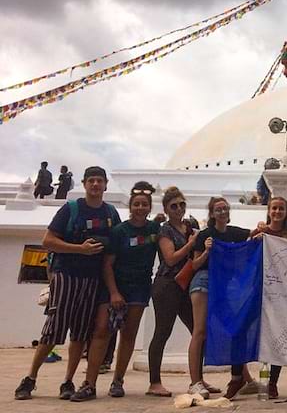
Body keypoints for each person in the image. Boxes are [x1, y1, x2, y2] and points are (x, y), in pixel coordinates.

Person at [15, 166, 121, 401]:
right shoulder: (71, 209)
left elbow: (114, 249)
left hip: (92, 279)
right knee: (54, 329)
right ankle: (30, 378)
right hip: (67, 275)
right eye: (91, 180)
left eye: (99, 181)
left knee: (81, 333)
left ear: (105, 185)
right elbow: (48, 240)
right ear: (84, 184)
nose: (95, 185)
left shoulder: (111, 214)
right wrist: (80, 250)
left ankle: (68, 380)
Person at [70, 182, 160, 401]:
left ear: (150, 208)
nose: (140, 207)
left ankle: (118, 381)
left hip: (139, 287)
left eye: (144, 204)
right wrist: (114, 293)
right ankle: (89, 383)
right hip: (115, 285)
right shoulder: (119, 231)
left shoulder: (154, 230)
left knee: (128, 335)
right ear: (130, 207)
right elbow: (108, 264)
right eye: (136, 204)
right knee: (102, 331)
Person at [146, 187, 218, 397]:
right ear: (167, 209)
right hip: (167, 285)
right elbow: (170, 258)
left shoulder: (190, 227)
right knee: (162, 332)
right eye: (173, 206)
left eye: (181, 205)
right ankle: (154, 382)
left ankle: (198, 379)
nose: (178, 209)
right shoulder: (164, 230)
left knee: (199, 331)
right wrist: (190, 244)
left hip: (186, 285)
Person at [191, 197, 253, 400]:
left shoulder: (234, 232)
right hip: (205, 283)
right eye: (218, 209)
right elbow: (194, 265)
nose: (222, 212)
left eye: (225, 208)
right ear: (211, 213)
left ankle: (243, 378)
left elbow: (254, 236)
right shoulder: (205, 235)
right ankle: (195, 381)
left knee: (235, 327)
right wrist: (208, 251)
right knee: (200, 331)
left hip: (223, 287)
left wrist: (264, 228)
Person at [251, 196, 287, 399]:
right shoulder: (261, 233)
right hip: (263, 292)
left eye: (281, 209)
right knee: (264, 340)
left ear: (286, 211)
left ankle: (273, 382)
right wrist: (255, 240)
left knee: (279, 339)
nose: (277, 212)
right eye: (274, 208)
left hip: (284, 295)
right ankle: (262, 380)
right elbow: (248, 253)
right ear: (269, 211)